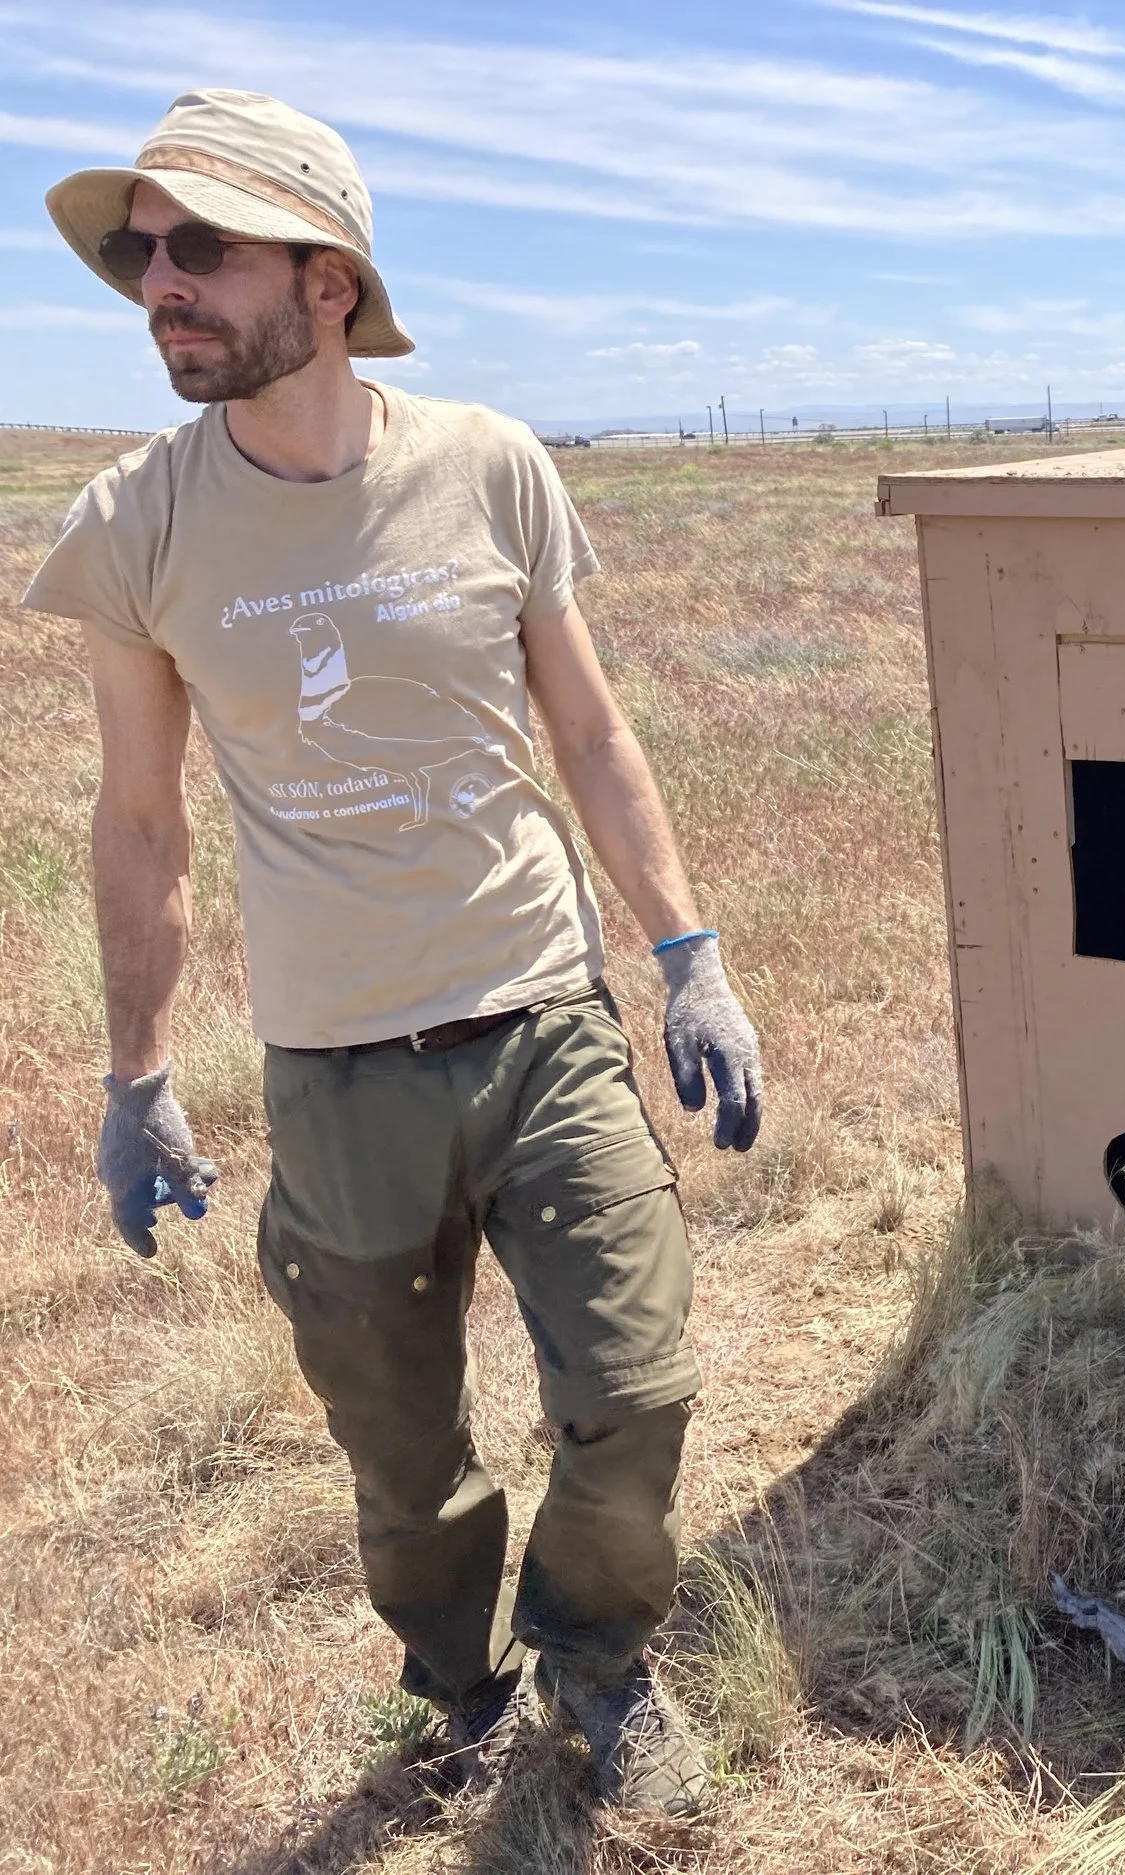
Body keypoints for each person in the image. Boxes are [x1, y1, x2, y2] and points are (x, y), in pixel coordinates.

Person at [21, 90, 763, 1816]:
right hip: (338, 1068)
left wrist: (690, 950)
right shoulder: (136, 522)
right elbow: (141, 823)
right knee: (403, 1462)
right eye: (143, 253)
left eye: (201, 247)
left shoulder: (490, 463)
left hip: (543, 1022)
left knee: (636, 1390)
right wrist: (134, 1080)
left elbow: (587, 732)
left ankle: (595, 1658)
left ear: (328, 279)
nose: (160, 286)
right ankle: (458, 1681)